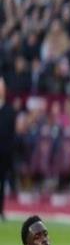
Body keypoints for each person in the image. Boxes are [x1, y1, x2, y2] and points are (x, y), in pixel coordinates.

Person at [0, 77, 17, 221]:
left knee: (2, 182)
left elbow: (11, 135)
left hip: (3, 153)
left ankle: (1, 210)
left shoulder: (10, 110)